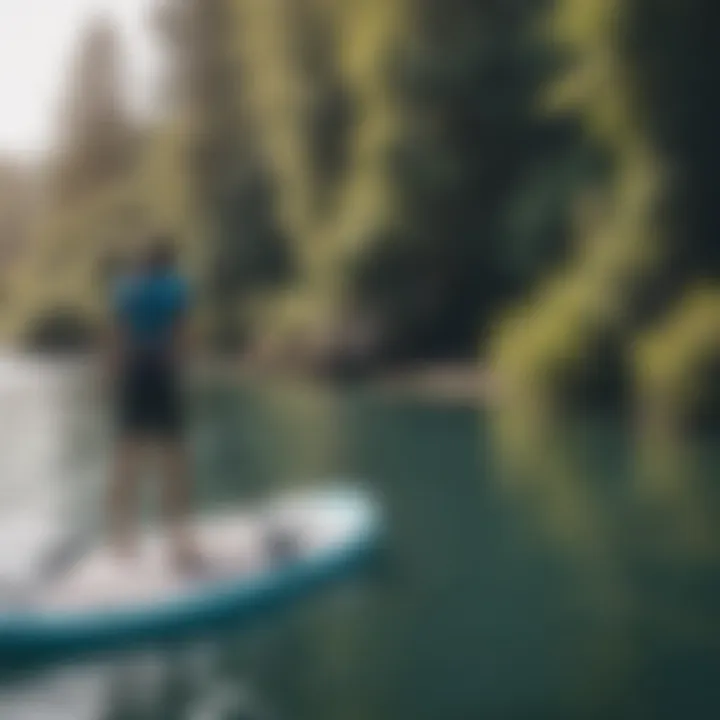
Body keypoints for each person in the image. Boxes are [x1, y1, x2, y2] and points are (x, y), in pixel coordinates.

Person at [106, 236, 200, 573]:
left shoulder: (124, 289)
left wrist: (115, 383)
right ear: (169, 261)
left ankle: (121, 540)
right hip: (161, 374)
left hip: (133, 376)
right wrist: (183, 375)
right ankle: (180, 544)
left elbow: (117, 340)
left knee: (126, 457)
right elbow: (182, 336)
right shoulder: (175, 287)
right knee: (172, 459)